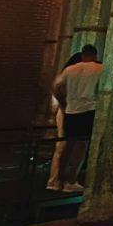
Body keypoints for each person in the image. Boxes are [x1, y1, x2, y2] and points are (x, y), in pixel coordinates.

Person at [51, 45, 103, 192]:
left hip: (70, 110)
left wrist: (63, 102)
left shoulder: (70, 70)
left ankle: (59, 179)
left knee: (68, 145)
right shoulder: (99, 69)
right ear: (94, 54)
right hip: (88, 110)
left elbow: (56, 87)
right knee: (81, 146)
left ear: (83, 55)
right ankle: (71, 180)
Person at [46, 51, 84, 191]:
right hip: (69, 112)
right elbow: (56, 89)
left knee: (70, 146)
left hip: (70, 111)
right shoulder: (70, 76)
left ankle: (63, 180)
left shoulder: (71, 75)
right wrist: (64, 105)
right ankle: (57, 180)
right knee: (65, 145)